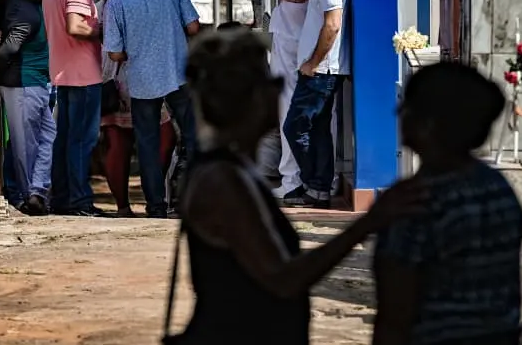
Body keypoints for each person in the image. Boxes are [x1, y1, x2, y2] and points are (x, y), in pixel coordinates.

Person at [168, 29, 423, 344]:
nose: (278, 94)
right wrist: (367, 224)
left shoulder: (231, 170)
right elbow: (284, 277)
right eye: (273, 84)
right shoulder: (224, 181)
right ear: (253, 98)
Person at [373, 61, 522, 345]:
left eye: (407, 105)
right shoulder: (498, 189)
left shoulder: (414, 202)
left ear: (428, 124)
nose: (397, 112)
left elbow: (395, 315)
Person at [102, 0, 201, 219]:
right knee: (192, 136)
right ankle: (190, 197)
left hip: (142, 81)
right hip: (178, 73)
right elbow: (193, 27)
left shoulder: (116, 1)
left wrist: (136, 49)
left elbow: (114, 53)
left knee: (146, 143)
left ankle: (155, 206)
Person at [249, 0, 318, 204]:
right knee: (323, 104)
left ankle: (292, 179)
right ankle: (322, 177)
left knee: (288, 99)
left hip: (290, 22)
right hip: (320, 21)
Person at [282, 0, 350, 209]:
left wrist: (313, 62)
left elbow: (332, 24)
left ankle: (314, 185)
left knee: (295, 127)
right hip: (323, 69)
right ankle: (319, 188)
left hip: (321, 70)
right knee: (318, 130)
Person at [43, 0, 109, 217]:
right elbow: (75, 26)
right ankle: (80, 201)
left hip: (63, 72)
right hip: (83, 74)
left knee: (66, 139)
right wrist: (102, 32)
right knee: (83, 140)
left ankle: (62, 198)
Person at [0, 0, 55, 216]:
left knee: (47, 136)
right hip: (22, 83)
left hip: (38, 82)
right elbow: (8, 48)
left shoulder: (12, 0)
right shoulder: (26, 15)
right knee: (24, 144)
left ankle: (36, 189)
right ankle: (26, 195)